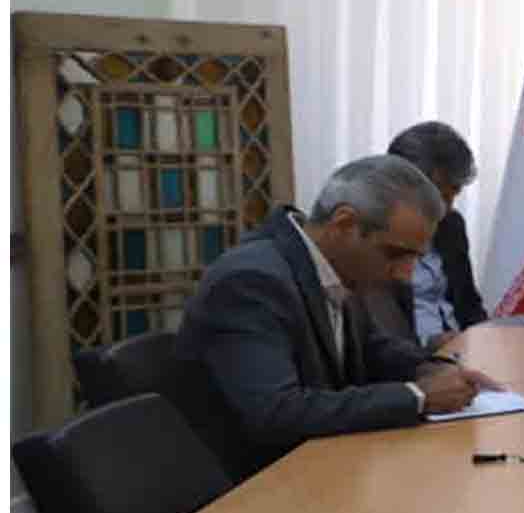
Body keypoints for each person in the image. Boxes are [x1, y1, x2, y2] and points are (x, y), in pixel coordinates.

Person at [172, 156, 489, 477]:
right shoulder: (250, 281)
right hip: (252, 484)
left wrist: (430, 368)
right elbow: (276, 412)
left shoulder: (330, 265)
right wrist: (417, 397)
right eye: (396, 254)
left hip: (320, 466)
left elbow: (369, 349)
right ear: (344, 225)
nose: (405, 275)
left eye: (415, 258)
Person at [381, 120, 490, 341]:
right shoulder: (373, 233)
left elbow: (469, 303)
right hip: (409, 357)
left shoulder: (451, 225)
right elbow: (373, 337)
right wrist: (428, 349)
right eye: (440, 196)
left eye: (453, 195)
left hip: (460, 349)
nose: (445, 208)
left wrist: (485, 341)